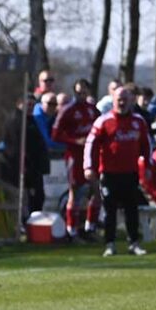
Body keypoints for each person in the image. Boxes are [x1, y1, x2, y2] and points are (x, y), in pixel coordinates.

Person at [84, 86, 150, 257]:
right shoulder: (103, 121)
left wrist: (148, 166)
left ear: (131, 101)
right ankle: (110, 244)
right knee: (110, 210)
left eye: (125, 99)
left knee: (131, 209)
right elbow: (90, 145)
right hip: (109, 173)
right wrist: (89, 167)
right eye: (119, 99)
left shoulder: (139, 121)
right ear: (113, 100)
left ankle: (133, 243)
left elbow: (146, 145)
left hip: (131, 172)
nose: (122, 102)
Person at [52, 78, 101, 240]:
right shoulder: (67, 110)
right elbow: (55, 135)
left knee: (96, 191)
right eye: (78, 92)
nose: (81, 95)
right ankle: (72, 230)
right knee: (75, 192)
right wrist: (75, 140)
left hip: (92, 155)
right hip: (75, 156)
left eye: (84, 92)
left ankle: (90, 227)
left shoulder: (93, 110)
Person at [2, 94, 49, 216]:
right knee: (28, 199)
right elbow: (16, 145)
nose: (31, 108)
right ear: (19, 103)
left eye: (33, 105)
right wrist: (23, 165)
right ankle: (26, 223)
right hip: (24, 167)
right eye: (28, 105)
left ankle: (33, 222)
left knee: (38, 197)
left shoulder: (30, 119)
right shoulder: (15, 120)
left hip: (34, 167)